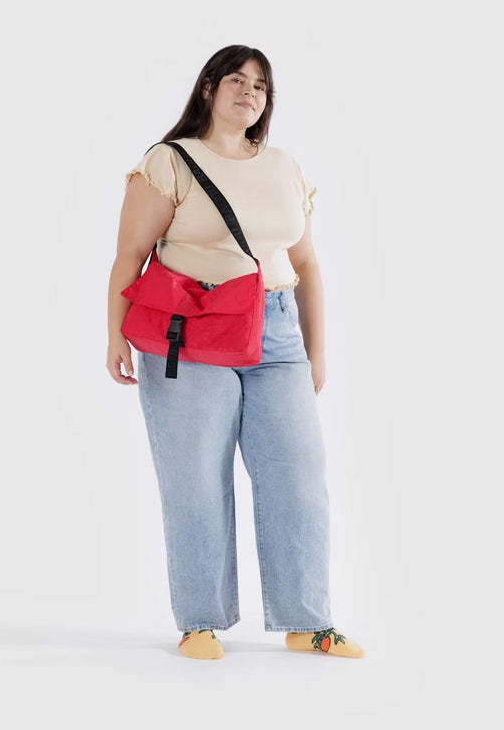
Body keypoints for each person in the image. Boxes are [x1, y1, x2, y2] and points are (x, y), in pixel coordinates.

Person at [106, 45, 365, 661]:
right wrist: (113, 333)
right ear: (208, 90)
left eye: (262, 86)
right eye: (237, 81)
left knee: (299, 477)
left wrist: (316, 349)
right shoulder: (170, 162)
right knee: (194, 478)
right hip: (189, 334)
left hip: (276, 333)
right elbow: (128, 256)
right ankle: (200, 620)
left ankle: (308, 620)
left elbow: (305, 263)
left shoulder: (283, 167)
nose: (251, 92)